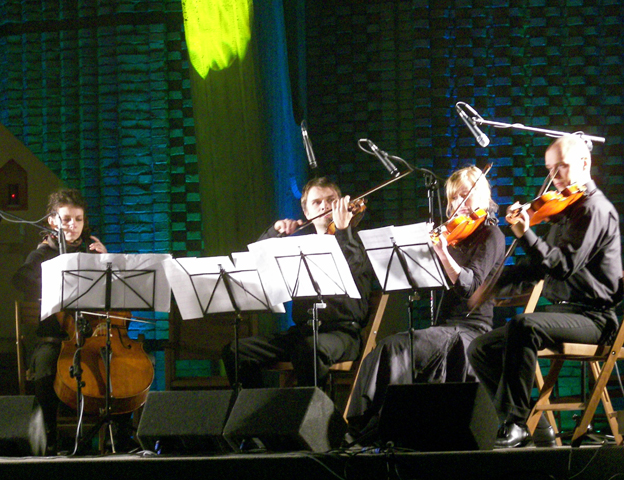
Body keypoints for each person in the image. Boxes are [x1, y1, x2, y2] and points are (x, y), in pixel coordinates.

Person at [467, 135, 623, 448]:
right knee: (480, 348)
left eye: (562, 167)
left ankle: (515, 423)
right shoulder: (564, 211)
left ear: (584, 163)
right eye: (550, 169)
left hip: (595, 319)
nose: (555, 176)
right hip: (563, 313)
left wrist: (526, 234)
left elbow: (562, 265)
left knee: (524, 326)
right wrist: (492, 287)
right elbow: (536, 267)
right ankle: (533, 427)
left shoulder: (594, 209)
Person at [344, 166, 505, 438]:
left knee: (396, 347)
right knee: (391, 345)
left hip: (471, 330)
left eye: (465, 194)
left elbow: (468, 286)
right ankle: (374, 423)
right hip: (444, 329)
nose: (459, 203)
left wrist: (442, 253)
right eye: (453, 197)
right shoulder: (454, 237)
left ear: (483, 196)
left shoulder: (492, 236)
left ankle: (376, 425)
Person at [221, 177, 375, 389]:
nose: (325, 206)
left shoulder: (357, 242)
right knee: (236, 351)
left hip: (342, 333)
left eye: (331, 200)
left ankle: (309, 410)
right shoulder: (298, 246)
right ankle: (258, 407)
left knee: (309, 350)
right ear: (307, 213)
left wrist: (342, 229)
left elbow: (353, 266)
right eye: (317, 202)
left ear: (341, 204)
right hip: (303, 332)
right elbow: (256, 263)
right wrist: (274, 232)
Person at [12, 189, 110, 453]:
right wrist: (55, 286)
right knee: (45, 368)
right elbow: (20, 279)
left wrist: (107, 261)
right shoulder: (43, 253)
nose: (73, 225)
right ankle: (48, 440)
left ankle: (118, 439)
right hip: (53, 339)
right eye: (66, 219)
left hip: (90, 339)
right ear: (52, 221)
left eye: (78, 219)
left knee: (116, 365)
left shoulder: (92, 252)